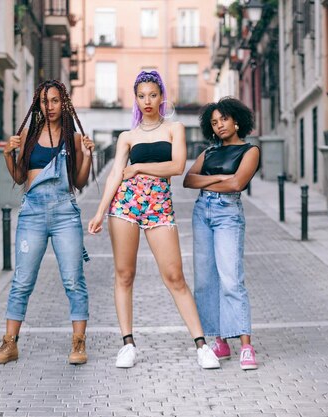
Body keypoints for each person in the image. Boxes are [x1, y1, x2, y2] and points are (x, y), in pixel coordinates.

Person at [87, 71, 220, 369]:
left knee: (175, 276)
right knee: (124, 275)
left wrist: (139, 168)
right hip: (125, 205)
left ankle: (201, 345)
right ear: (136, 99)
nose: (147, 101)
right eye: (141, 96)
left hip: (159, 207)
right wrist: (99, 212)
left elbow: (176, 166)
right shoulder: (127, 137)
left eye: (153, 95)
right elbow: (114, 176)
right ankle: (128, 344)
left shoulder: (175, 128)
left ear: (162, 96)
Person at [0, 80, 95, 365]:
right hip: (32, 213)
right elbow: (20, 178)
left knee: (74, 280)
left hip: (65, 213)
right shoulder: (29, 136)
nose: (50, 107)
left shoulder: (72, 139)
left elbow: (80, 182)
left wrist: (86, 157)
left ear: (65, 104)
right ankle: (10, 343)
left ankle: (79, 342)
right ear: (39, 104)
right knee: (22, 281)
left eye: (55, 101)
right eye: (45, 101)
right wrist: (7, 155)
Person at [183, 97, 261, 370]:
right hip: (201, 212)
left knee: (231, 279)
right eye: (214, 122)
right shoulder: (209, 152)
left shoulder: (250, 151)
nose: (220, 126)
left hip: (228, 214)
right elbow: (188, 180)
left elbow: (238, 183)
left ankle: (246, 346)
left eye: (224, 119)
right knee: (205, 281)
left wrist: (215, 181)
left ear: (236, 120)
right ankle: (220, 341)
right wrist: (220, 179)